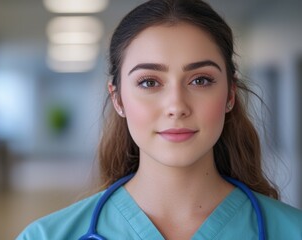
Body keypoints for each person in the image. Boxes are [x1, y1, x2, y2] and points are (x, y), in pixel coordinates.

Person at [17, 0, 302, 239]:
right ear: (117, 99)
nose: (176, 106)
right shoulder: (45, 236)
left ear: (230, 95)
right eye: (149, 82)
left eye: (200, 80)